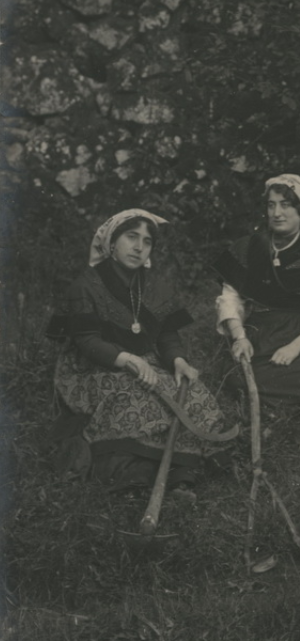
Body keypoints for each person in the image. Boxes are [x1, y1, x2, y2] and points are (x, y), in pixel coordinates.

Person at [46, 209, 236, 496]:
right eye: (131, 237)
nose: (139, 247)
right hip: (96, 366)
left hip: (144, 360)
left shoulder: (154, 286)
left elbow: (167, 335)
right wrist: (127, 360)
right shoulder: (87, 285)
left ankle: (181, 474)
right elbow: (87, 343)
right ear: (112, 243)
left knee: (193, 393)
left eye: (147, 242)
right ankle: (135, 472)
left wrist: (178, 360)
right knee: (133, 396)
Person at [213, 173, 300, 405]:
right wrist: (240, 336)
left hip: (297, 333)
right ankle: (268, 393)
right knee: (234, 376)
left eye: (286, 205)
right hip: (258, 331)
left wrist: (294, 348)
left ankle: (281, 394)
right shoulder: (250, 246)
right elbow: (231, 297)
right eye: (271, 205)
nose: (276, 213)